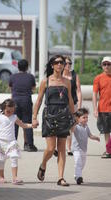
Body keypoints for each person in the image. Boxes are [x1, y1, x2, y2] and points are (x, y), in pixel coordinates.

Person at [32, 55, 75, 186]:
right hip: (50, 114)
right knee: (51, 149)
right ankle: (43, 164)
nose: (59, 65)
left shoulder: (67, 82)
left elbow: (70, 100)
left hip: (63, 114)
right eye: (56, 62)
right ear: (52, 65)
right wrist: (34, 117)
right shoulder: (46, 81)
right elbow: (39, 100)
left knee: (61, 148)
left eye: (62, 62)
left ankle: (60, 177)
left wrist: (74, 117)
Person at [0, 99, 33, 185]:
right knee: (1, 160)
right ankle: (1, 177)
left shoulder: (14, 117)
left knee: (14, 157)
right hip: (1, 142)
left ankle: (15, 178)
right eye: (8, 111)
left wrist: (31, 125)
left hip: (11, 142)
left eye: (12, 111)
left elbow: (23, 125)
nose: (10, 113)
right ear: (4, 109)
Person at [9, 59, 38, 152]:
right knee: (27, 123)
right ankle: (29, 145)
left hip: (15, 101)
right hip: (26, 101)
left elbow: (11, 88)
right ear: (27, 67)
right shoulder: (30, 77)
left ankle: (13, 145)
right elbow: (33, 88)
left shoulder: (13, 77)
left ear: (18, 67)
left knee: (15, 123)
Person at [71, 108, 100, 185]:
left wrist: (95, 138)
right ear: (78, 119)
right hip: (76, 149)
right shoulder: (76, 126)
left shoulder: (86, 127)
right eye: (84, 117)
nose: (86, 119)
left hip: (84, 149)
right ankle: (78, 177)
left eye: (87, 117)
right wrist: (74, 122)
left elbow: (90, 135)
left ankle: (76, 175)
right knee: (78, 163)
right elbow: (72, 130)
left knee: (82, 164)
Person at [63, 56, 82, 156]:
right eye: (66, 63)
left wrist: (79, 105)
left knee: (73, 126)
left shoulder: (74, 75)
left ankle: (69, 148)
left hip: (73, 103)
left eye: (70, 63)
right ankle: (62, 147)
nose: (68, 65)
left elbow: (78, 90)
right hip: (62, 104)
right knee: (63, 126)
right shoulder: (60, 76)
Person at [93, 56, 111, 158]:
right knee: (106, 131)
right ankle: (108, 151)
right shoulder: (98, 78)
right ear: (102, 66)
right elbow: (95, 94)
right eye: (104, 64)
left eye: (109, 64)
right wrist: (95, 109)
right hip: (103, 109)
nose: (107, 66)